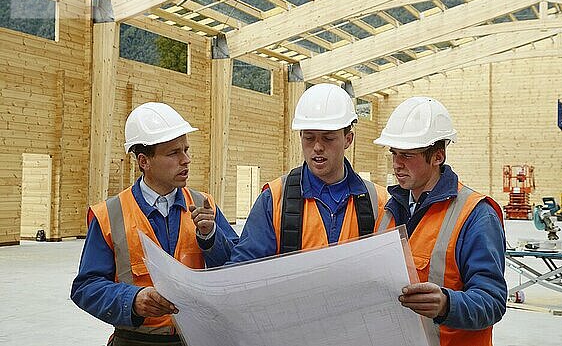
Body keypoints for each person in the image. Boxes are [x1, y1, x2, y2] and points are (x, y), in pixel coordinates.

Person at [71, 102, 238, 346]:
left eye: (186, 150)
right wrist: (133, 300)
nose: (186, 160)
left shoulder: (204, 205)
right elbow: (86, 288)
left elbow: (234, 269)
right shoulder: (109, 214)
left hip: (198, 338)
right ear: (144, 161)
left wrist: (211, 237)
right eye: (174, 153)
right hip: (136, 340)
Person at [374, 97, 506, 346]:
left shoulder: (476, 215)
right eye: (394, 153)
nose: (396, 164)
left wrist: (447, 304)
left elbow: (493, 301)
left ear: (437, 156)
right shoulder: (390, 209)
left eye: (407, 155)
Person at [226, 83, 397, 263]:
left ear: (348, 139)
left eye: (328, 138)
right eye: (309, 137)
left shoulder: (378, 203)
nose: (317, 147)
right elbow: (243, 268)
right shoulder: (275, 199)